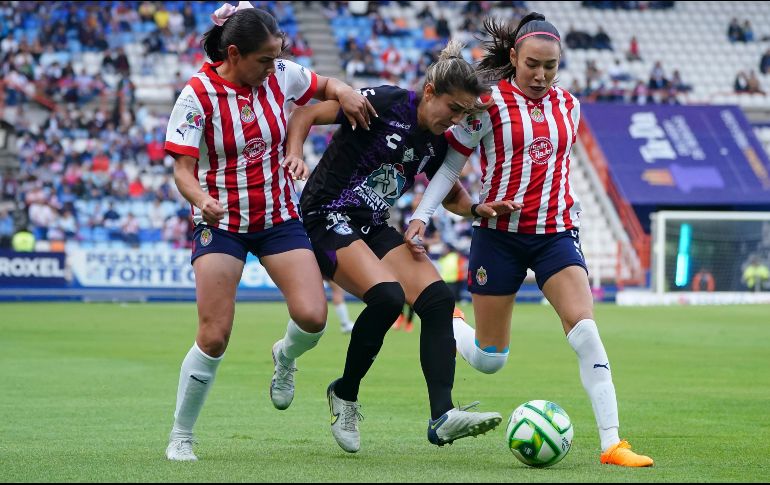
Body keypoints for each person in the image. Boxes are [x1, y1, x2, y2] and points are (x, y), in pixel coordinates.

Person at [404, 12, 654, 468]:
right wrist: (422, 216)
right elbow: (450, 168)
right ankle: (455, 323)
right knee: (489, 360)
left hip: (555, 235)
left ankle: (612, 444)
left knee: (585, 333)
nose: (540, 75)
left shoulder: (570, 106)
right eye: (533, 64)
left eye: (551, 66)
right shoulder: (486, 104)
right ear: (514, 56)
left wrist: (563, 208)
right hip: (497, 239)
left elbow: (553, 165)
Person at [162, 1, 376, 462]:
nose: (272, 67)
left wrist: (348, 91)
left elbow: (325, 84)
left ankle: (284, 356)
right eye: (264, 59)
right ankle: (182, 435)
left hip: (279, 219)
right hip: (222, 223)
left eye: (277, 57)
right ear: (234, 53)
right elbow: (182, 170)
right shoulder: (196, 95)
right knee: (215, 334)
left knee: (314, 317)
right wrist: (202, 200)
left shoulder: (280, 73)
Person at [286, 40, 520, 453]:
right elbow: (305, 112)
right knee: (389, 297)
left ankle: (442, 417)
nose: (456, 121)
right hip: (326, 214)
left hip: (373, 224)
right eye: (454, 109)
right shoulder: (388, 102)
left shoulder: (436, 140)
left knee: (437, 301)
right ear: (430, 92)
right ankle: (346, 393)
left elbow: (450, 195)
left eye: (465, 114)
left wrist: (480, 208)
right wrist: (295, 156)